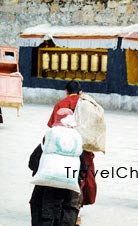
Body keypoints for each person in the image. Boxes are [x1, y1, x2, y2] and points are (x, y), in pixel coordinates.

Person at [47, 80, 97, 225]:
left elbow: (52, 126)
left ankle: (59, 207)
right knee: (81, 177)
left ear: (66, 91)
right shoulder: (87, 105)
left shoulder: (60, 104)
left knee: (61, 175)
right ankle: (76, 208)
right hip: (82, 146)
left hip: (63, 146)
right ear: (80, 92)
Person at [29, 108, 86, 226]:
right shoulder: (76, 143)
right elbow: (83, 170)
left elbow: (32, 163)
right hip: (69, 200)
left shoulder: (48, 140)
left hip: (44, 196)